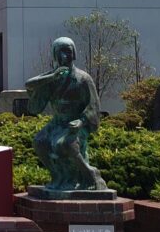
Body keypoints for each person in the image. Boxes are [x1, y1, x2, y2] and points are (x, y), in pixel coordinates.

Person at [25, 36, 108, 191]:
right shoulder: (51, 79)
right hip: (57, 122)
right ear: (55, 55)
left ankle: (89, 175)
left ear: (74, 53)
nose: (64, 56)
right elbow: (29, 86)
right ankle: (58, 176)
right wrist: (51, 77)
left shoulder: (83, 79)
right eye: (60, 52)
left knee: (64, 143)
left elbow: (93, 107)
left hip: (77, 123)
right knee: (39, 142)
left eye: (68, 52)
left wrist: (81, 122)